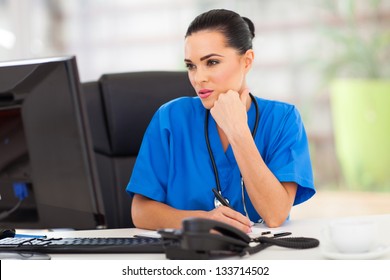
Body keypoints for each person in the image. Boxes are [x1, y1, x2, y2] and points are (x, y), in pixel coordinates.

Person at [126, 9, 315, 233]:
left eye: (212, 62)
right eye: (191, 65)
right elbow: (140, 212)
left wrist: (238, 132)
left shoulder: (283, 120)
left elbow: (275, 215)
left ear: (246, 61)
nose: (198, 78)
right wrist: (203, 220)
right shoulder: (170, 118)